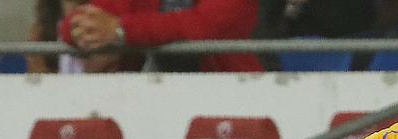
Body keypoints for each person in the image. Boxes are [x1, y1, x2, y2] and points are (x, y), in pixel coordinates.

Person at [58, 0, 264, 73]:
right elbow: (77, 23)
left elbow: (205, 26)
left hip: (228, 91)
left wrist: (122, 30)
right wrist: (84, 27)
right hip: (144, 99)